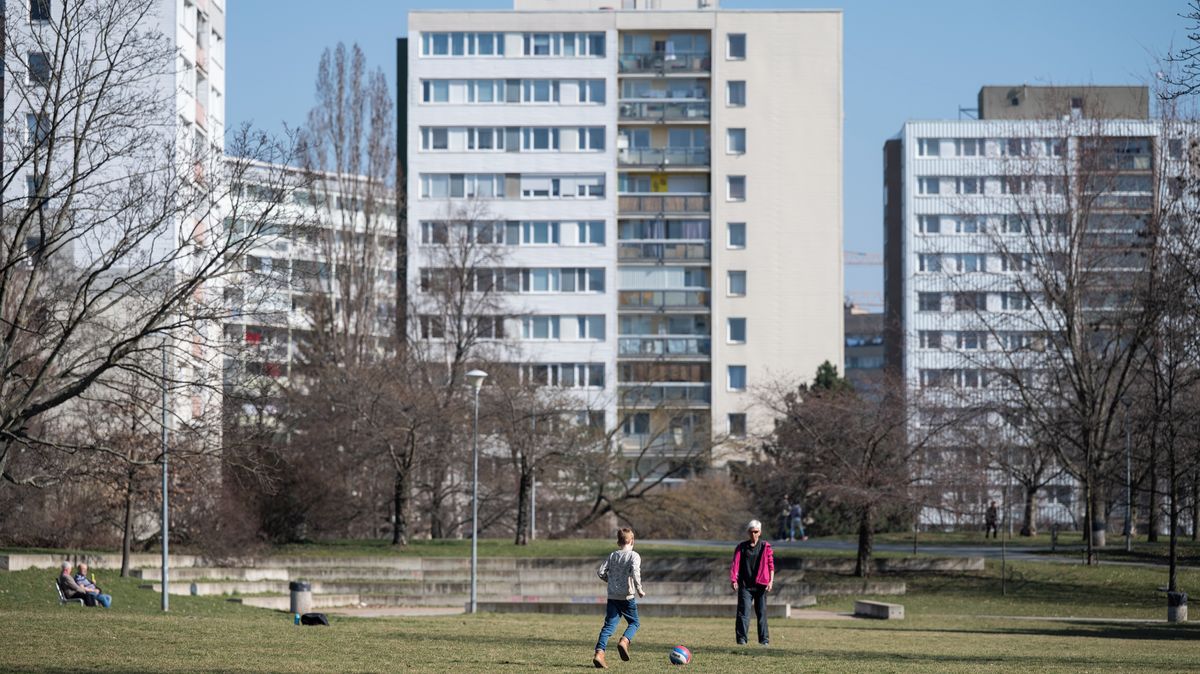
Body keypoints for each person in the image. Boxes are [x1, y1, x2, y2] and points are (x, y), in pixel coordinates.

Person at [592, 527, 644, 669]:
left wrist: (610, 581)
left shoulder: (613, 555)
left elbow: (601, 572)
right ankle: (624, 641)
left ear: (618, 542)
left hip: (613, 597)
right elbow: (635, 572)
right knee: (634, 622)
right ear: (632, 541)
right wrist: (639, 588)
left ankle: (599, 653)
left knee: (608, 626)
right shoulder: (634, 556)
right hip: (627, 597)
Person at [730, 519, 774, 646]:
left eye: (756, 532)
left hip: (761, 585)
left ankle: (764, 640)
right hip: (745, 585)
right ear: (748, 532)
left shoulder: (765, 547)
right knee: (743, 613)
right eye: (751, 532)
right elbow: (735, 564)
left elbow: (771, 566)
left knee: (762, 613)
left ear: (760, 532)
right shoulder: (741, 547)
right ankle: (741, 639)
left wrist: (771, 581)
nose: (753, 534)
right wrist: (733, 579)